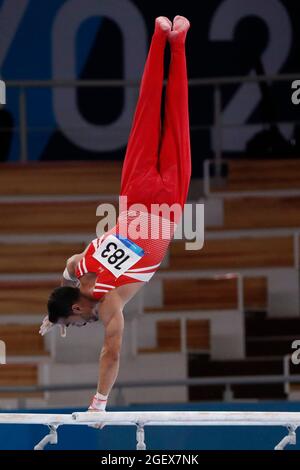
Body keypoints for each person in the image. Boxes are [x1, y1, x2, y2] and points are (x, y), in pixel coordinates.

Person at [40, 15, 191, 412]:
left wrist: (99, 402)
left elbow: (111, 354)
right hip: (135, 195)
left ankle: (178, 41)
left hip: (166, 205)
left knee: (177, 118)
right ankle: (162, 36)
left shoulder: (108, 304)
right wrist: (51, 312)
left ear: (77, 307)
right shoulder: (78, 265)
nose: (80, 326)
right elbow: (66, 273)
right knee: (145, 111)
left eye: (73, 324)